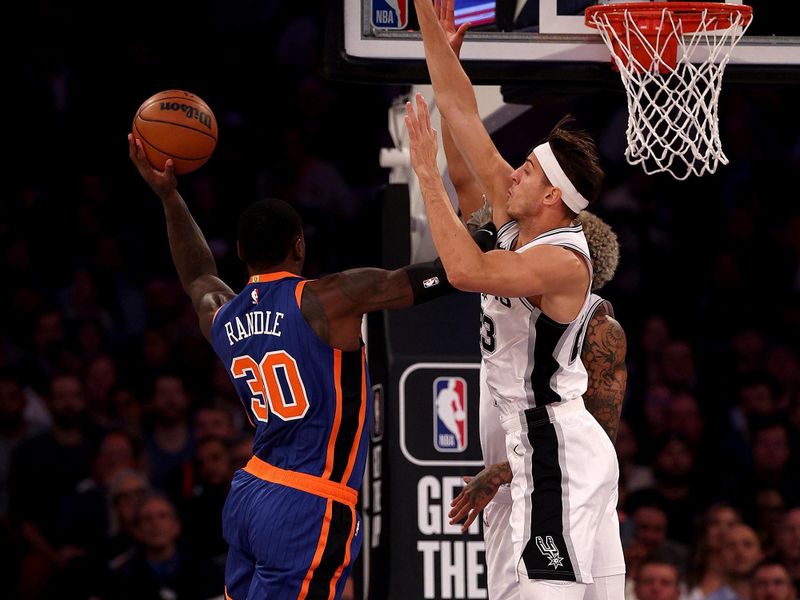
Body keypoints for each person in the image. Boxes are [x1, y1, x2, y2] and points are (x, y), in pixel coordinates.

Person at [127, 133, 489, 599]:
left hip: (250, 492)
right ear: (299, 246)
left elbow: (197, 275)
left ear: (239, 253)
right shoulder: (326, 298)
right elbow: (435, 278)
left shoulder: (223, 313)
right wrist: (487, 237)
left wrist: (170, 197)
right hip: (308, 500)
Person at [409, 0, 623, 598]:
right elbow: (459, 109)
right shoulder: (519, 212)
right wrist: (430, 29)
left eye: (527, 170)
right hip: (529, 435)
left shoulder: (560, 260)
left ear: (552, 196)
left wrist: (426, 176)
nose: (511, 174)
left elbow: (466, 269)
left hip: (557, 448)